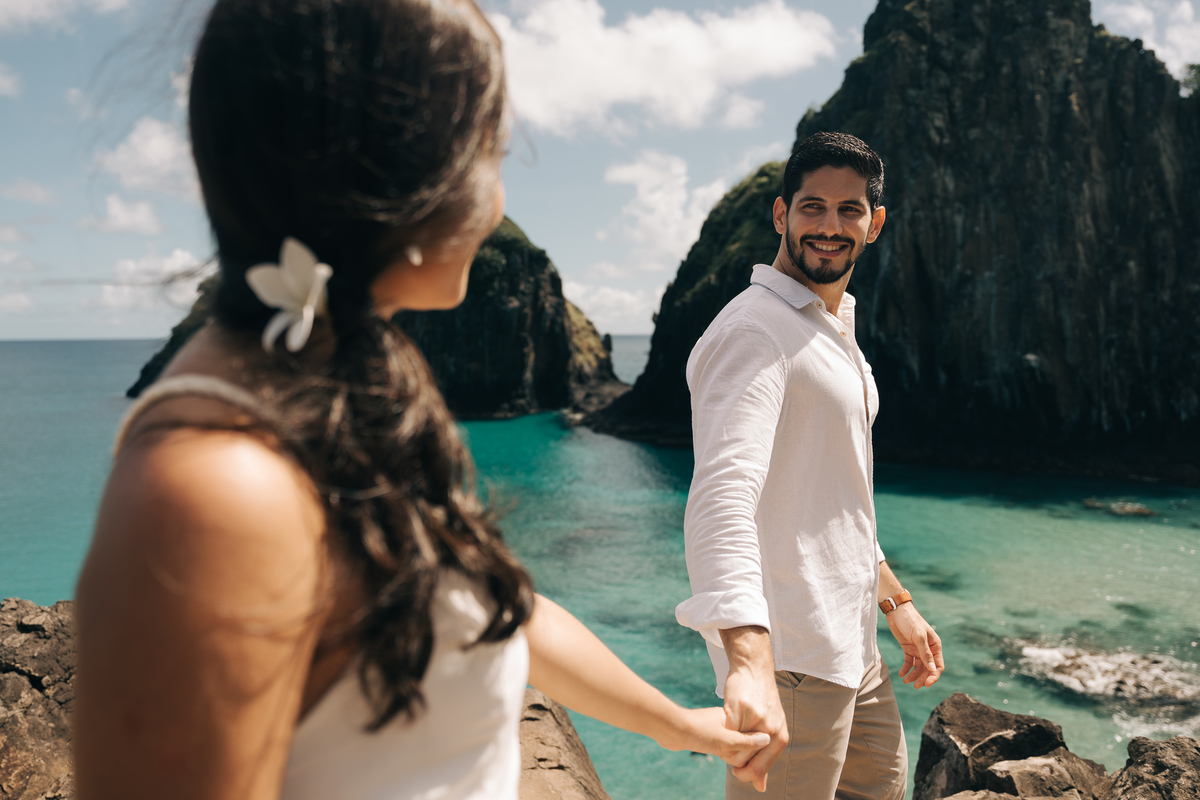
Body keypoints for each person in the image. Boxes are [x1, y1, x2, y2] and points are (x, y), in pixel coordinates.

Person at [71, 1, 771, 798]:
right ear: (397, 165)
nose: (498, 202)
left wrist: (679, 726)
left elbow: (489, 604)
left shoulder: (346, 368)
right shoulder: (216, 491)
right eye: (490, 152)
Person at [675, 131, 946, 800]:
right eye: (812, 207)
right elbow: (721, 500)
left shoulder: (830, 327)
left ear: (874, 224)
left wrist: (895, 602)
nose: (829, 226)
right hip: (791, 658)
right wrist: (748, 661)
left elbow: (833, 497)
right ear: (781, 214)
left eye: (848, 210)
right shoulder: (755, 331)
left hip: (852, 648)